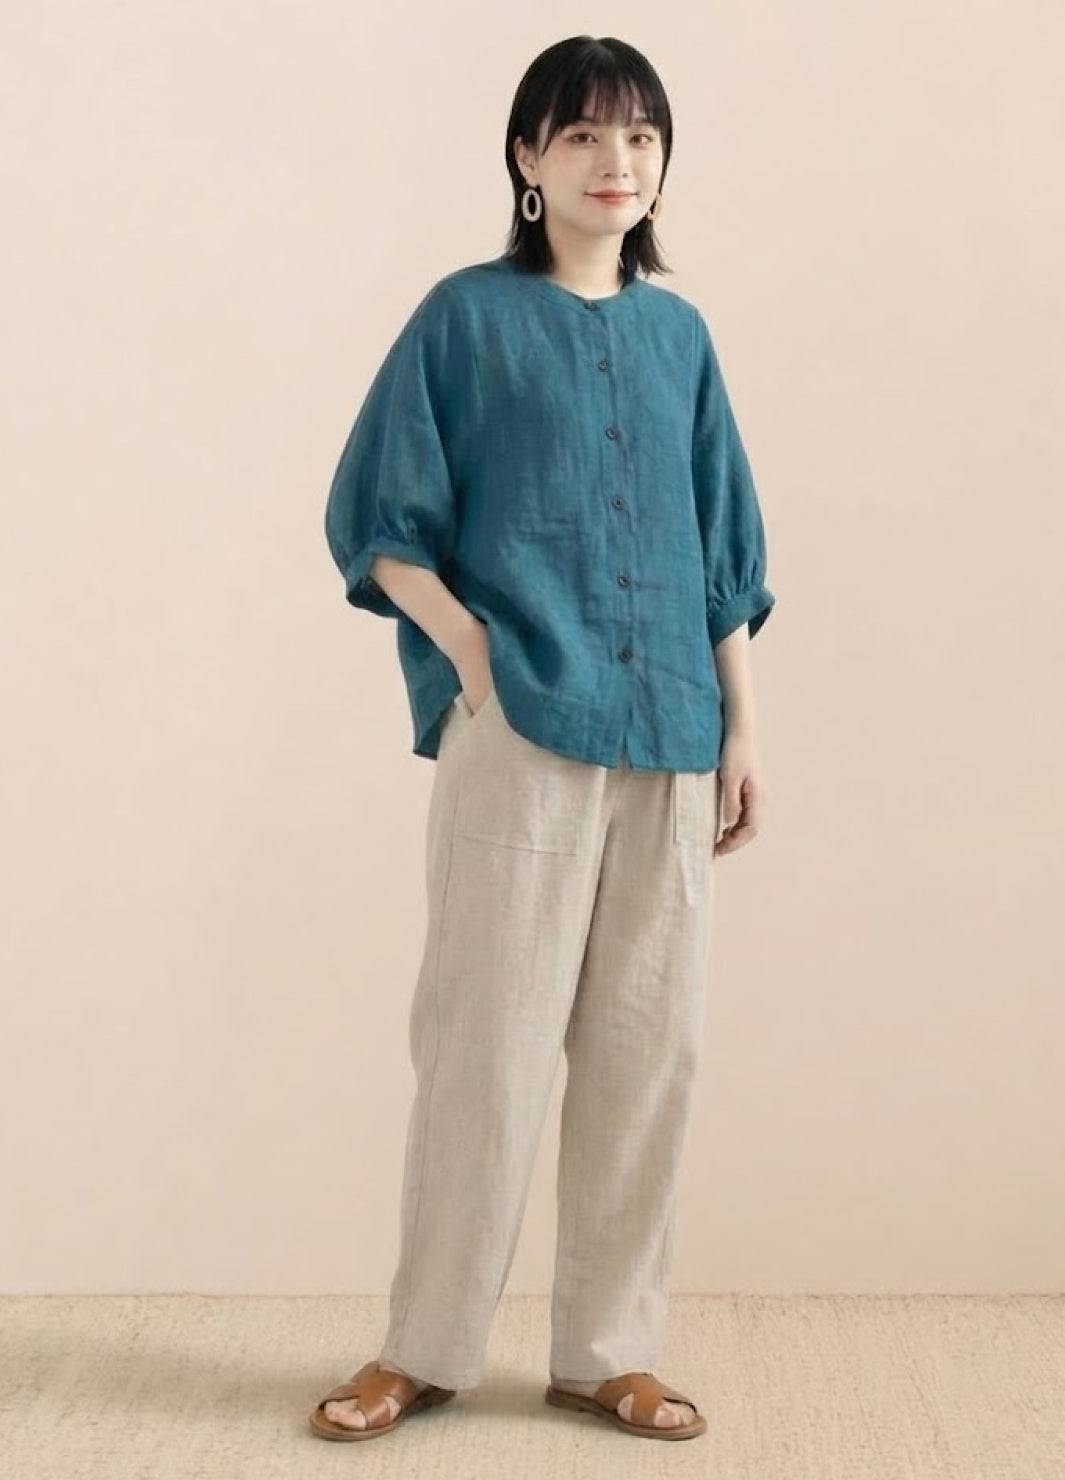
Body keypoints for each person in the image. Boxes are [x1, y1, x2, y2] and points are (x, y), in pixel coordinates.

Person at [309, 34, 775, 1445]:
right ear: (526, 158)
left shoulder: (681, 340)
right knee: (484, 1052)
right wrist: (474, 659)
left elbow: (721, 558)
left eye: (638, 138)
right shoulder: (464, 317)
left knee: (645, 1056)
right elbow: (379, 518)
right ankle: (424, 1348)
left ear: (662, 163)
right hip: (520, 733)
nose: (613, 162)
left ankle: (607, 1352)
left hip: (672, 735)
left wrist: (743, 728)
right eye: (580, 135)